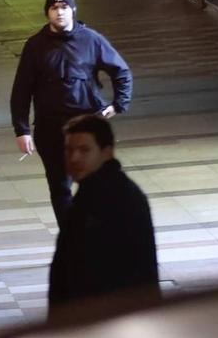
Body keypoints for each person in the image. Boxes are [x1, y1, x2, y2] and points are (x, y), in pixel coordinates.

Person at [10, 0, 134, 225]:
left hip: (86, 124)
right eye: (54, 8)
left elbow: (122, 72)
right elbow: (21, 91)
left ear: (73, 10)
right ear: (47, 13)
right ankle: (72, 238)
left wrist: (118, 105)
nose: (60, 13)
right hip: (51, 128)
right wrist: (22, 130)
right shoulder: (35, 46)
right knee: (60, 187)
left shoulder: (91, 40)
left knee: (95, 183)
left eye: (64, 8)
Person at [47, 113, 159, 312]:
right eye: (69, 150)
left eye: (84, 150)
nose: (74, 158)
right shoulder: (93, 193)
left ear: (106, 152)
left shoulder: (114, 199)